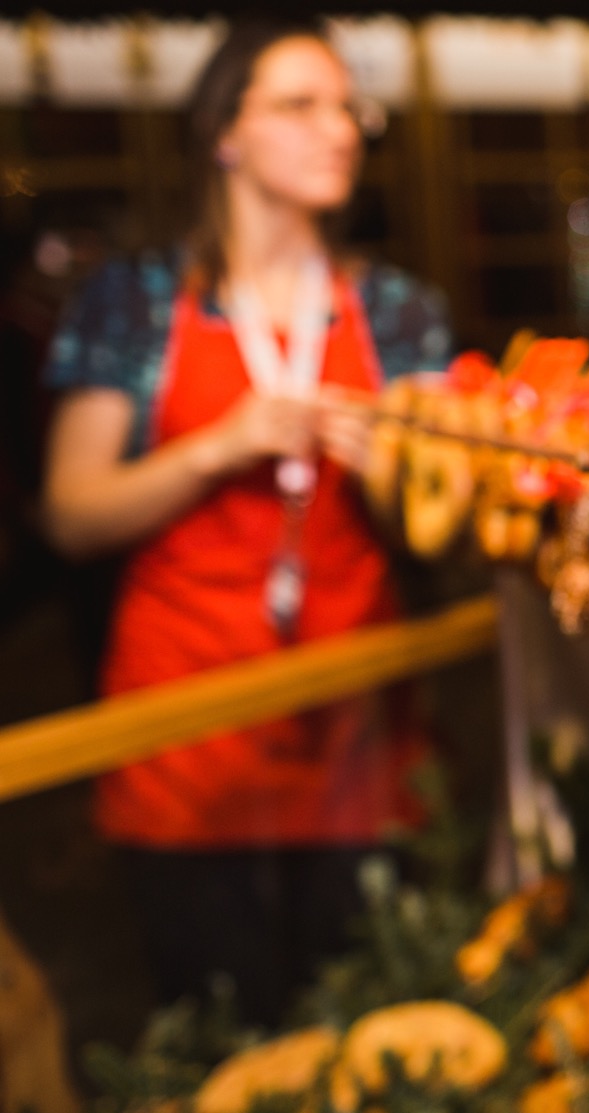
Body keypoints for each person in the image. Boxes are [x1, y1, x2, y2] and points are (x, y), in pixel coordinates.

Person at [40, 18, 450, 1028]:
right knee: (224, 1038)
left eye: (347, 108)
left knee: (372, 1026)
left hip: (354, 731)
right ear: (225, 133)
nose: (339, 130)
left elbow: (445, 529)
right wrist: (215, 447)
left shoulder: (396, 312)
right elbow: (71, 516)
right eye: (299, 106)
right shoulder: (137, 302)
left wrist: (393, 471)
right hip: (188, 738)